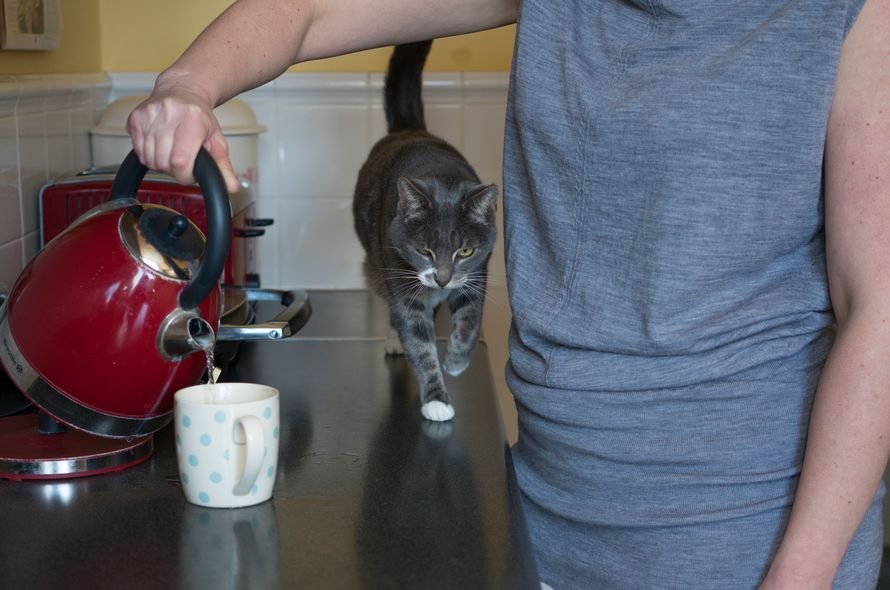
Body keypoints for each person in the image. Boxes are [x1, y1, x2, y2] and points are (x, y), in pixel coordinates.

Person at [127, 1, 890, 587]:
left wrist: (801, 578)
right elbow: (307, 9)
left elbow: (879, 313)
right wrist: (188, 87)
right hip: (542, 518)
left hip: (749, 539)